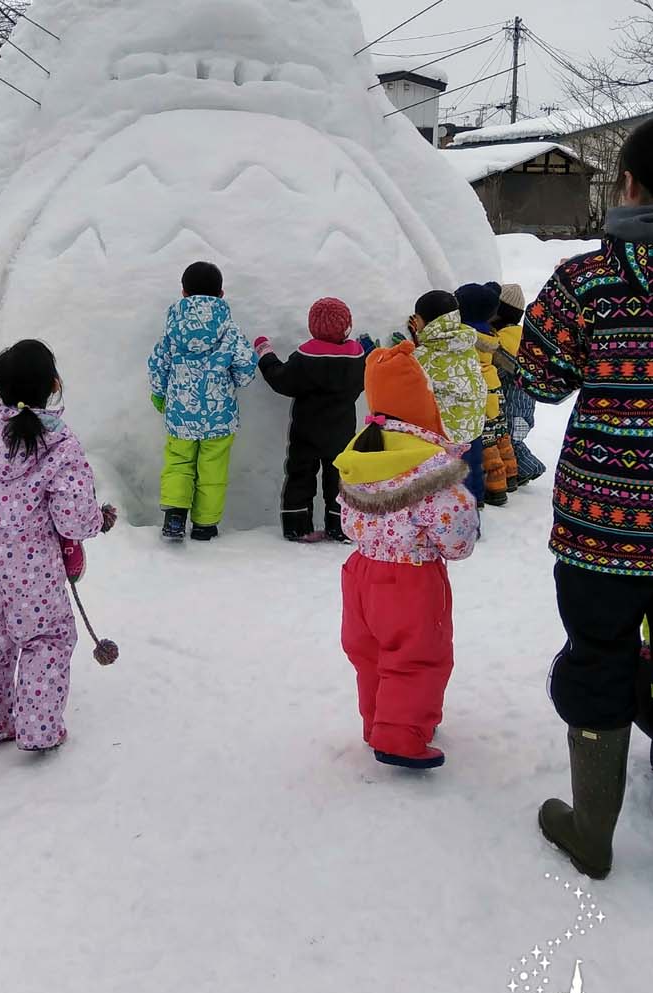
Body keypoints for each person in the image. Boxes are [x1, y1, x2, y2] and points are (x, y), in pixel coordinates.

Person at [519, 118, 653, 879]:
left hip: (604, 524)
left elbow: (539, 381)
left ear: (628, 186)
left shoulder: (588, 280)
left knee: (599, 654)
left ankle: (592, 830)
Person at [0, 339, 116, 751]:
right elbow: (74, 517)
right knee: (45, 638)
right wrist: (97, 521)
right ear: (55, 383)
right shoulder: (60, 445)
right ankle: (39, 729)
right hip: (35, 568)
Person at [335, 340, 478, 770]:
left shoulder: (361, 454)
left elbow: (346, 520)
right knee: (417, 656)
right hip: (411, 580)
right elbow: (457, 538)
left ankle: (378, 720)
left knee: (370, 653)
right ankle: (400, 735)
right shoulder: (430, 469)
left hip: (359, 574)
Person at [148, 260, 257, 542]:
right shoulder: (229, 330)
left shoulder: (173, 328)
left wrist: (159, 394)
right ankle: (205, 526)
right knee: (213, 468)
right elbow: (246, 369)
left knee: (179, 462)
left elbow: (158, 364)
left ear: (183, 292)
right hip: (219, 414)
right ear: (221, 294)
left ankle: (174, 515)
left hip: (180, 411)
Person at [254, 297, 367, 542]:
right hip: (341, 432)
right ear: (347, 327)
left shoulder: (306, 358)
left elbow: (281, 380)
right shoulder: (358, 359)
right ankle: (341, 526)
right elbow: (366, 380)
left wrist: (266, 354)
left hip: (307, 431)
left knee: (300, 475)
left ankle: (297, 524)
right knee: (339, 479)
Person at [408, 289, 486, 504]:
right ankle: (472, 519)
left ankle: (451, 529)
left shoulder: (423, 356)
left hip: (445, 434)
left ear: (430, 322)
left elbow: (415, 375)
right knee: (467, 481)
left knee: (446, 491)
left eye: (419, 319)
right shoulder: (465, 344)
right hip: (470, 426)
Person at [455, 282, 514, 505]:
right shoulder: (489, 333)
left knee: (484, 447)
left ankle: (487, 492)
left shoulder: (465, 334)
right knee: (498, 439)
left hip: (477, 391)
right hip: (493, 388)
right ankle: (507, 479)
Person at [493, 283, 545, 486]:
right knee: (514, 442)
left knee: (509, 445)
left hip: (510, 411)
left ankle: (527, 469)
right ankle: (527, 468)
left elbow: (496, 371)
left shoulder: (501, 343)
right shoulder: (521, 337)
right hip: (525, 409)